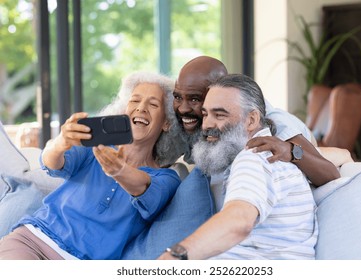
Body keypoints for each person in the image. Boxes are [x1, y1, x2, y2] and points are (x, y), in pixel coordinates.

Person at [0, 71, 184, 260]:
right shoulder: (94, 147)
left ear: (167, 123)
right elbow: (51, 164)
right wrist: (60, 142)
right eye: (134, 101)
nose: (141, 108)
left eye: (153, 104)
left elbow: (144, 188)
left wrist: (120, 171)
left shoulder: (166, 178)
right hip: (31, 241)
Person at [159, 74, 318, 260]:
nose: (207, 124)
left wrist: (174, 258)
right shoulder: (262, 156)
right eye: (205, 114)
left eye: (219, 115)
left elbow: (239, 220)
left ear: (251, 120)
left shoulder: (255, 157)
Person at [173, 55, 343, 186]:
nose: (183, 108)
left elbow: (330, 174)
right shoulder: (194, 117)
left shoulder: (273, 124)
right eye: (178, 97)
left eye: (195, 99)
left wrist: (290, 150)